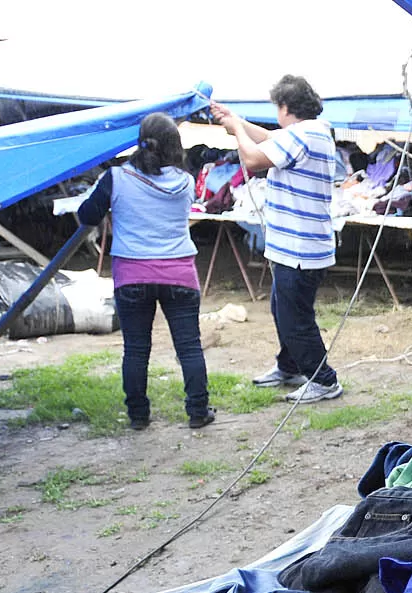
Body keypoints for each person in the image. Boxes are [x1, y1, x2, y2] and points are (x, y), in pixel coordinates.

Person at [210, 75, 343, 404]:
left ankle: (323, 380)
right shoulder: (315, 131)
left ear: (285, 107)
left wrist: (238, 131)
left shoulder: (303, 134)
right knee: (283, 308)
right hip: (303, 246)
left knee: (295, 317)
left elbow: (254, 160)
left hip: (300, 249)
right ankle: (290, 366)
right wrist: (236, 121)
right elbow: (271, 137)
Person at [78, 114, 212, 431]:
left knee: (136, 350)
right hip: (179, 274)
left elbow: (87, 215)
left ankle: (138, 415)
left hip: (132, 275)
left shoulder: (116, 178)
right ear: (175, 146)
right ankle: (198, 411)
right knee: (189, 347)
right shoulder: (186, 182)